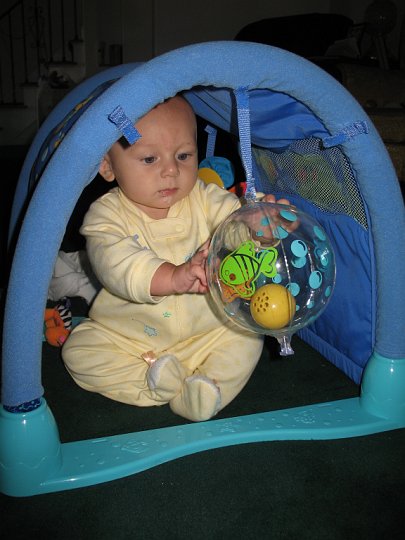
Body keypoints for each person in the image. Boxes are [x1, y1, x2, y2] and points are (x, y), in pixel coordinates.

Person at [62, 95, 289, 421]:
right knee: (79, 351)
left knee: (248, 334)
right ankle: (152, 382)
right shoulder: (104, 216)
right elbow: (115, 263)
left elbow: (235, 231)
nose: (171, 170)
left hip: (210, 326)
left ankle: (205, 391)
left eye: (184, 155)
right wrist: (172, 276)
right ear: (108, 167)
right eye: (150, 159)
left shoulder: (207, 198)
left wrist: (259, 225)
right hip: (131, 337)